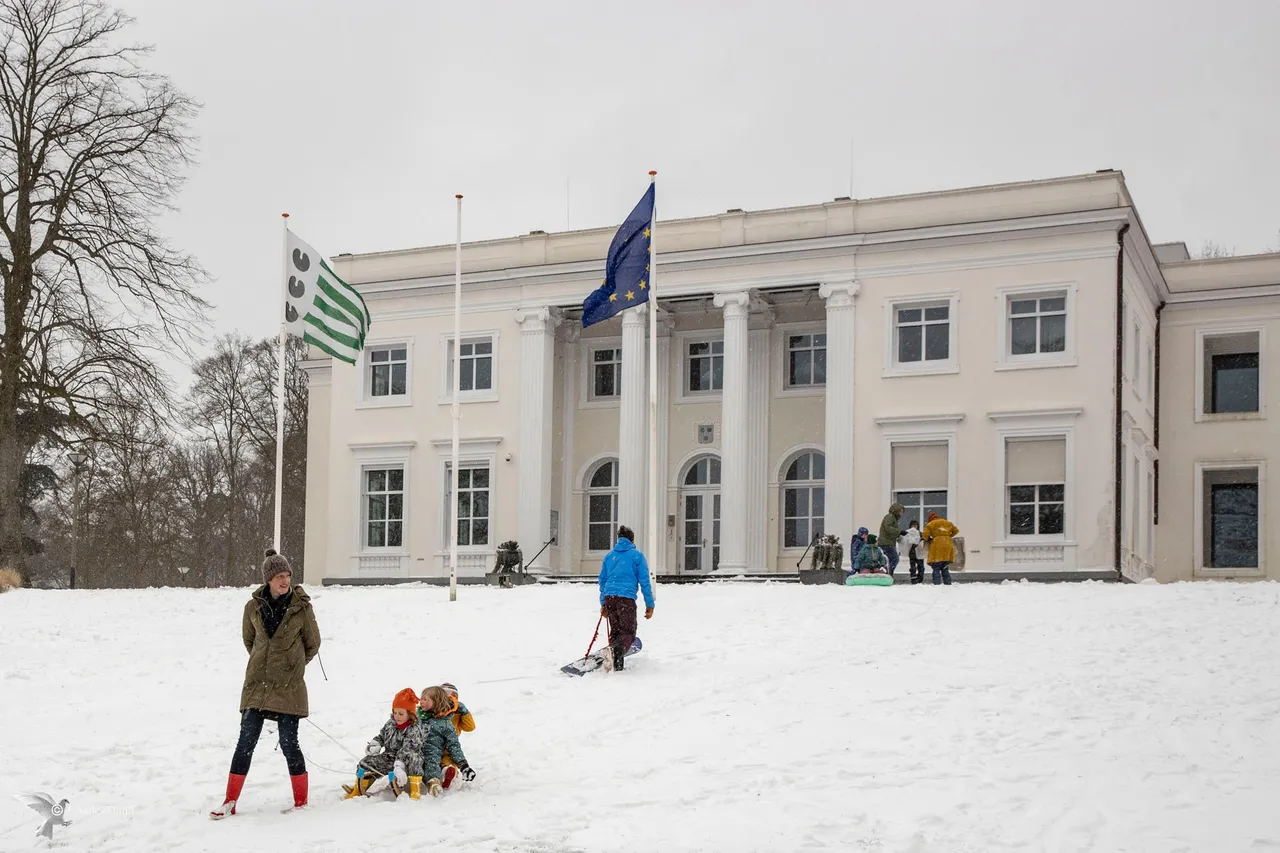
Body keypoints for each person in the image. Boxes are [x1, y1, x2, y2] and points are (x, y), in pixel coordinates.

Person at [212, 550, 321, 819]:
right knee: (245, 742)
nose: (285, 581)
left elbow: (313, 643)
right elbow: (250, 641)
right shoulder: (252, 607)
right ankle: (230, 801)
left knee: (289, 743)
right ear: (269, 579)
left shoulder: (302, 607)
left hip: (289, 687)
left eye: (287, 576)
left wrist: (291, 666)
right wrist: (264, 663)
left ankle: (300, 802)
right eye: (279, 576)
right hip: (256, 686)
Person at [344, 688, 426, 800]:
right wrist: (376, 744)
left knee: (414, 759)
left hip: (407, 759)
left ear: (410, 714)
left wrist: (399, 766)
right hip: (390, 757)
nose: (397, 716)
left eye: (401, 714)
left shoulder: (413, 729)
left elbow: (409, 749)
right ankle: (358, 789)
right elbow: (382, 735)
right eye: (395, 712)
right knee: (365, 762)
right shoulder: (391, 723)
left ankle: (415, 792)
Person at [597, 524, 655, 672]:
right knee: (628, 632)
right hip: (625, 598)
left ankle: (617, 664)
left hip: (610, 597)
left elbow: (602, 580)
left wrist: (603, 602)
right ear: (632, 540)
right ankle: (615, 651)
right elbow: (644, 581)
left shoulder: (610, 557)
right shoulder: (637, 556)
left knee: (616, 631)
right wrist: (650, 603)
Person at [419, 686, 477, 797]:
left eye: (452, 695)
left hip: (441, 749)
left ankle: (437, 779)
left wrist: (464, 765)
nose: (449, 697)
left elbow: (467, 730)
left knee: (435, 762)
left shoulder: (451, 718)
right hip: (417, 747)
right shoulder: (420, 715)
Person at [923, 512, 960, 586]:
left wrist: (929, 539)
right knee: (945, 567)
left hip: (937, 546)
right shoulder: (948, 523)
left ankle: (937, 584)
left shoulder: (931, 524)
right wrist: (948, 536)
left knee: (936, 567)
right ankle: (947, 583)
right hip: (948, 545)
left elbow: (925, 535)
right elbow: (956, 530)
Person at [878, 503, 905, 577]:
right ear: (896, 510)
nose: (901, 513)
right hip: (886, 542)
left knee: (889, 560)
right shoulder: (890, 517)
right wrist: (899, 532)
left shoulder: (893, 518)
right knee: (894, 559)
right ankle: (889, 574)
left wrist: (899, 534)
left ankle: (887, 573)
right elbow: (888, 528)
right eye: (901, 511)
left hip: (888, 542)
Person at [901, 519, 925, 585]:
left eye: (915, 525)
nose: (914, 526)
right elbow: (903, 541)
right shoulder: (908, 533)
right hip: (912, 552)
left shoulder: (920, 533)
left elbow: (924, 539)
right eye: (913, 525)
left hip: (919, 552)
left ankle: (920, 579)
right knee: (913, 568)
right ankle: (914, 580)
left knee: (921, 567)